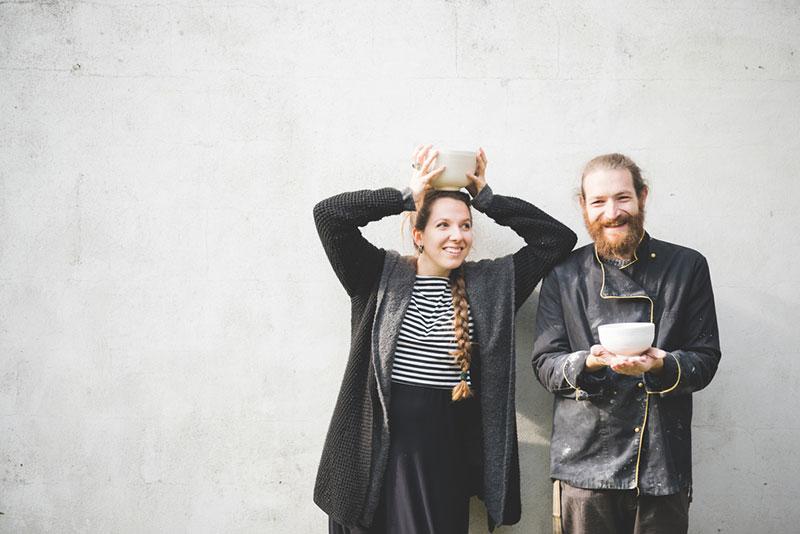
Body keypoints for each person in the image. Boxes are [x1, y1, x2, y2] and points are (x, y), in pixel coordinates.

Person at [313, 145, 577, 533]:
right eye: (443, 225)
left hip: (443, 460)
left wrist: (487, 199)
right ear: (418, 234)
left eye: (465, 225)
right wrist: (405, 196)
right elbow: (329, 216)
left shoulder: (491, 286)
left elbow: (556, 239)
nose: (457, 236)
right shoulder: (375, 276)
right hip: (372, 458)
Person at [531, 153, 721, 534]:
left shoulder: (688, 267)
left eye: (622, 198)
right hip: (584, 468)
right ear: (583, 207)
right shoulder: (563, 275)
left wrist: (661, 364)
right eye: (598, 201)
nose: (612, 212)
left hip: (662, 464)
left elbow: (705, 358)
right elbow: (545, 364)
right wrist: (589, 362)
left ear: (643, 197)